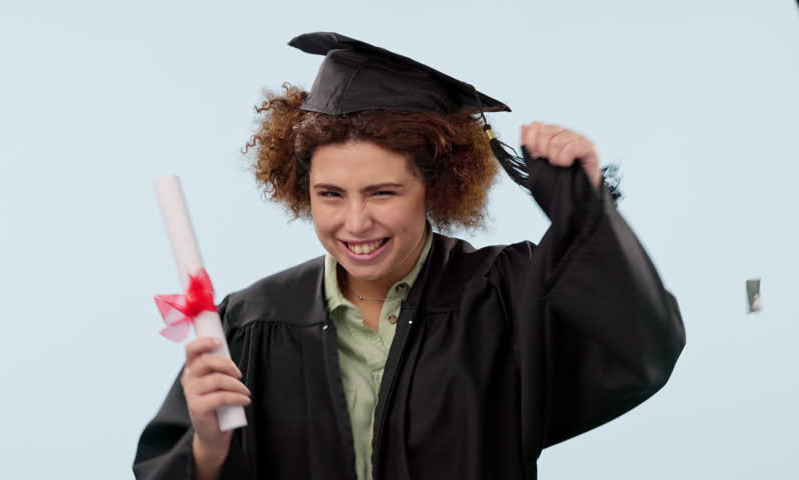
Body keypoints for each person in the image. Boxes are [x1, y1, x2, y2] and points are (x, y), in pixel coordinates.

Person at [133, 32, 685, 480]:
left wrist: (584, 213)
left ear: (435, 187)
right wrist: (206, 450)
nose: (355, 223)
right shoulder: (254, 319)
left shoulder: (505, 295)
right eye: (331, 194)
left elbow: (636, 352)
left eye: (382, 192)